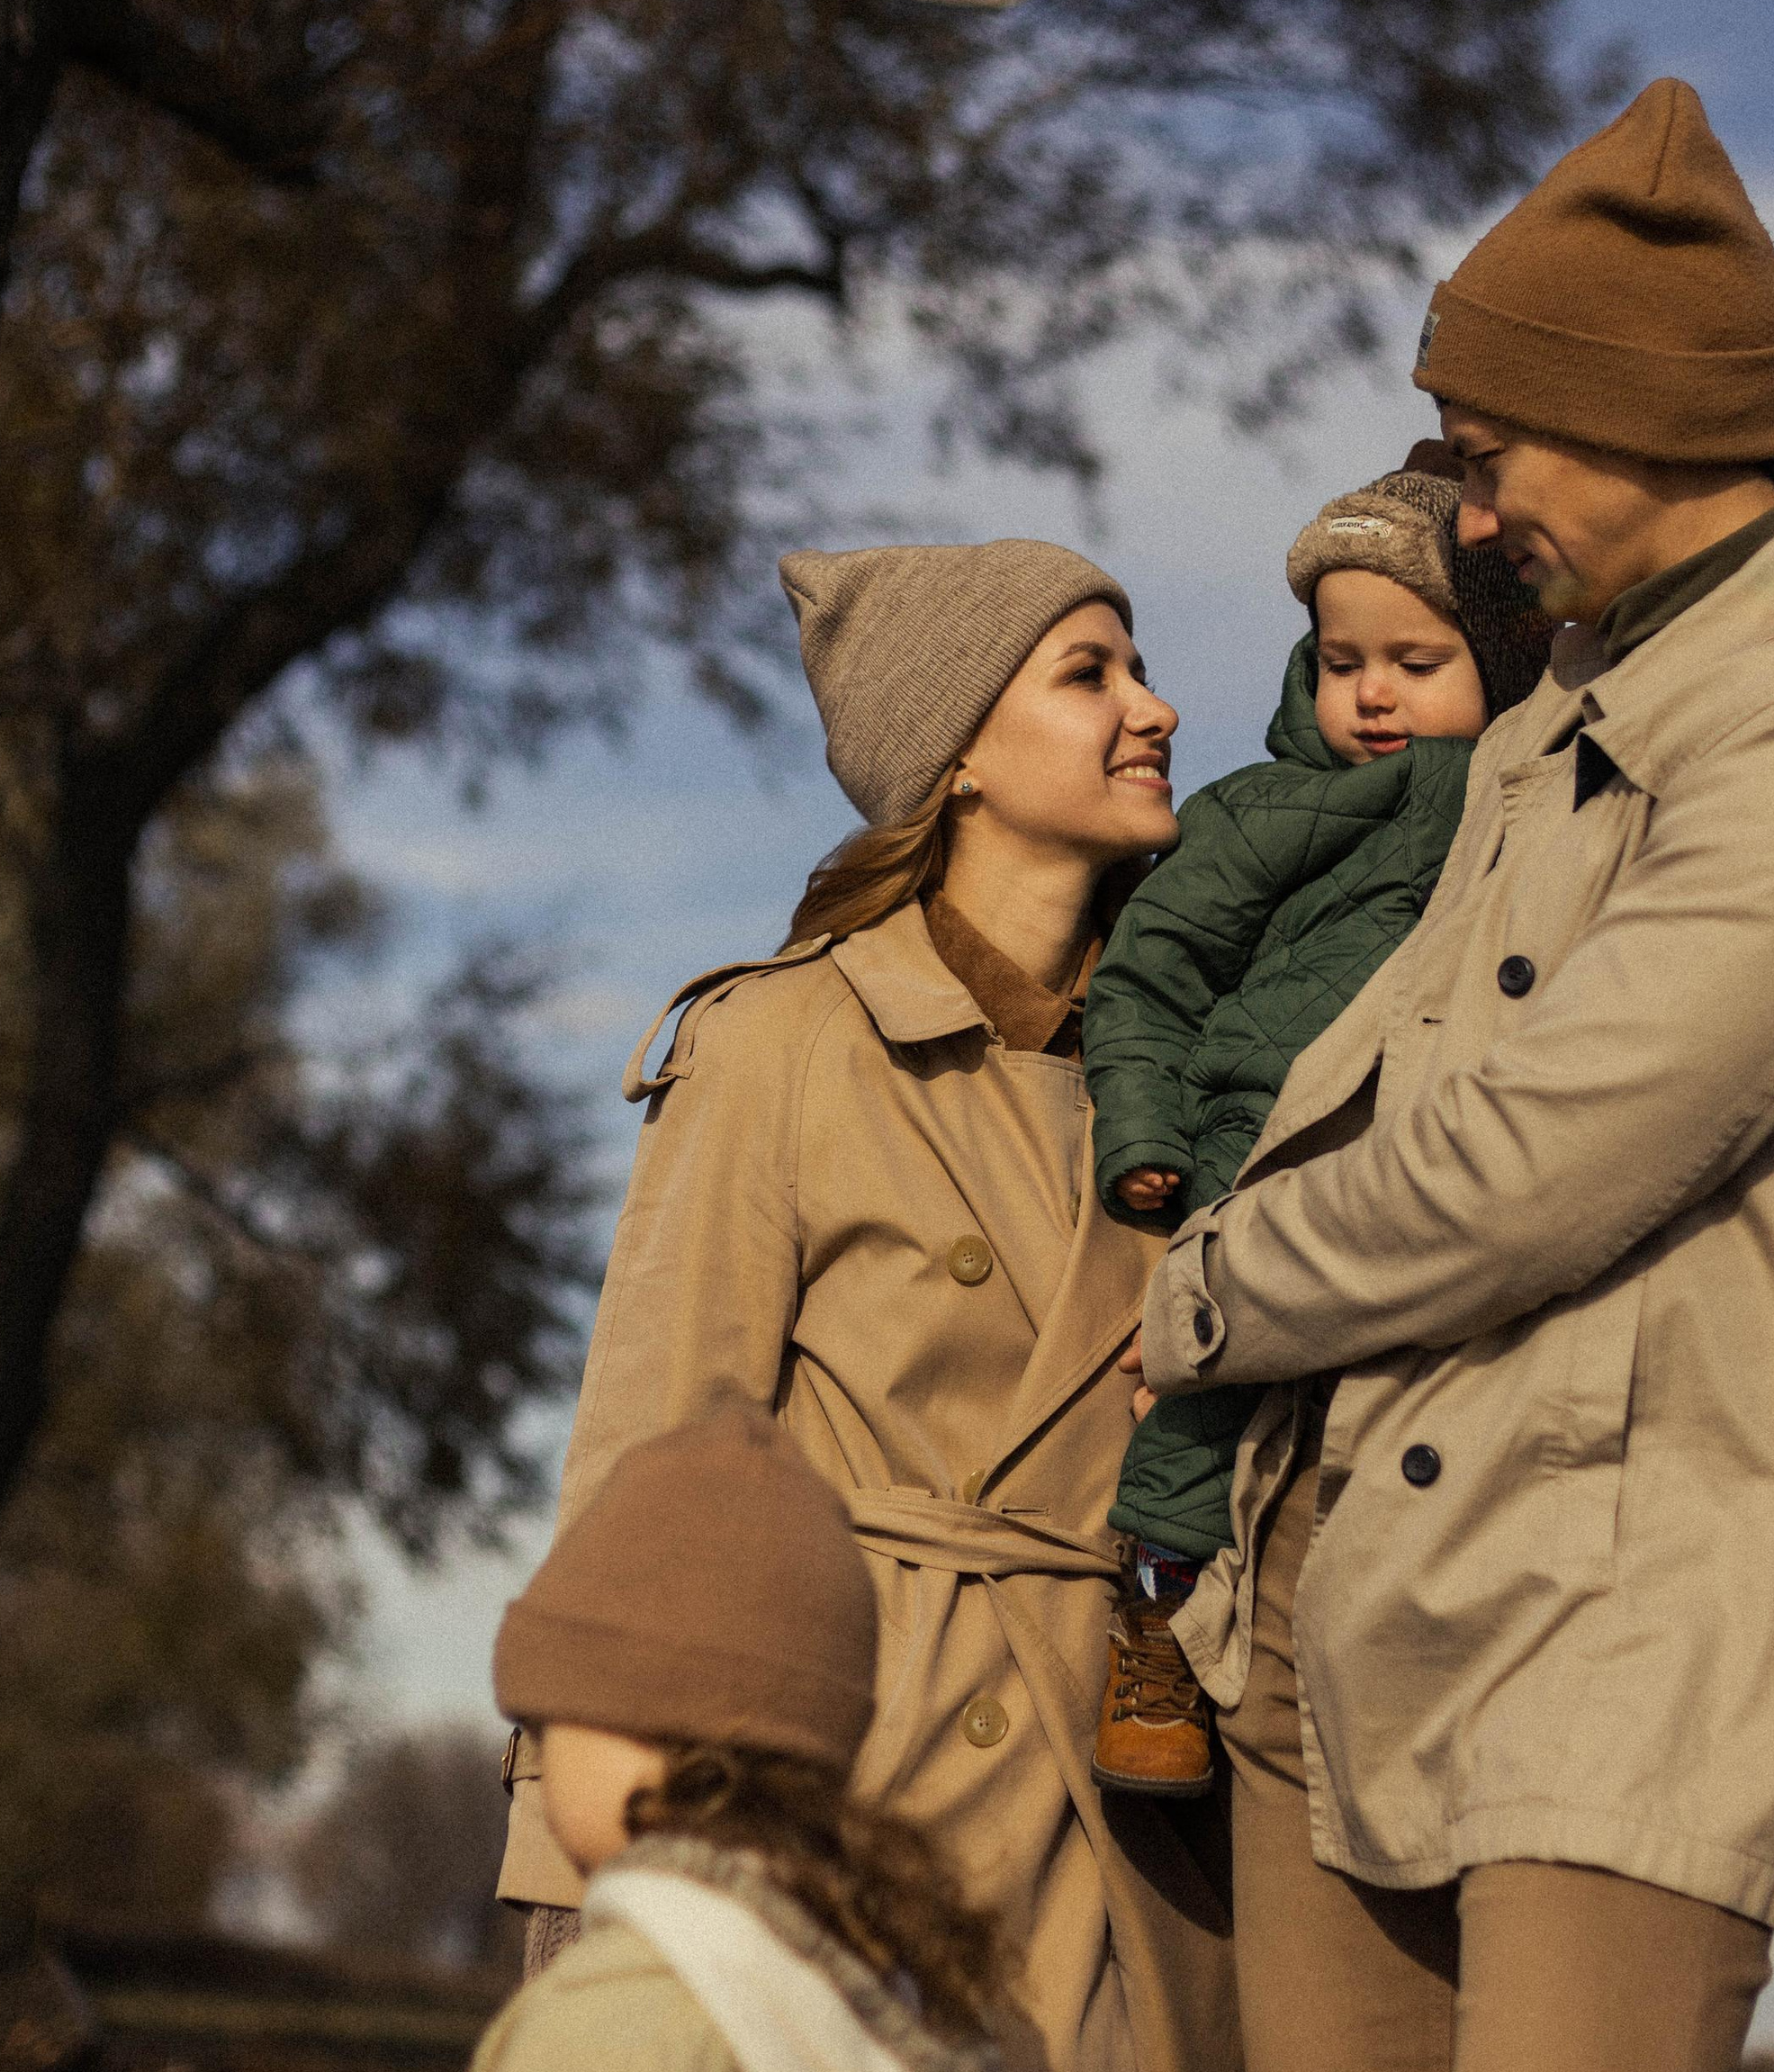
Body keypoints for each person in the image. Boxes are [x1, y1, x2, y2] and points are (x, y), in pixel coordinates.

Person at [1137, 77, 1774, 2071]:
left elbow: (1538, 1153)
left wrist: (1202, 1290)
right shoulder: (1548, 719)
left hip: (1627, 1647)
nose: (1461, 515)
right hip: (1348, 1596)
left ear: (1636, 418)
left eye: (1485, 450)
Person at [496, 537, 1239, 2072]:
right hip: (862, 1796)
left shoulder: (1206, 1069)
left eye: (1143, 667)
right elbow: (649, 1475)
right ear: (959, 751)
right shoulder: (776, 1046)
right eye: (1089, 674)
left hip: (1141, 1803)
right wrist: (571, 1874)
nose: (1155, 709)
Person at [1079, 454, 1548, 1797]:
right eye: (1343, 661)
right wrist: (1146, 1131)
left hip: (1432, 1164)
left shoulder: (1539, 816)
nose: (1375, 692)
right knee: (1198, 1400)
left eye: (1414, 657)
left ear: (1504, 661)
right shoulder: (1263, 813)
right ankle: (1157, 1626)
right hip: (1259, 1146)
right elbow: (1152, 974)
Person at [473, 1410, 1021, 2072]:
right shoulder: (896, 1987)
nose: (541, 1759)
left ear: (633, 1732)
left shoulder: (607, 2026)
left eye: (545, 1722)